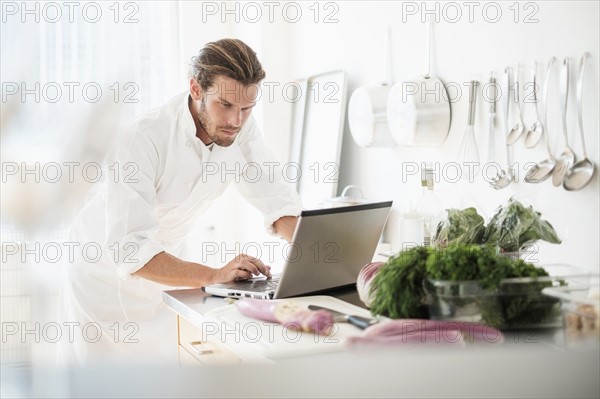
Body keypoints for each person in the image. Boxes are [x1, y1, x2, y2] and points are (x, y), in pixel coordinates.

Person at [59, 38, 302, 364]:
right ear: (196, 89)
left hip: (172, 269)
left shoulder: (240, 127)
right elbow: (130, 250)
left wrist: (317, 258)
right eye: (226, 105)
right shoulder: (142, 139)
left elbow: (277, 201)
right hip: (104, 275)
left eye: (247, 108)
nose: (236, 121)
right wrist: (215, 275)